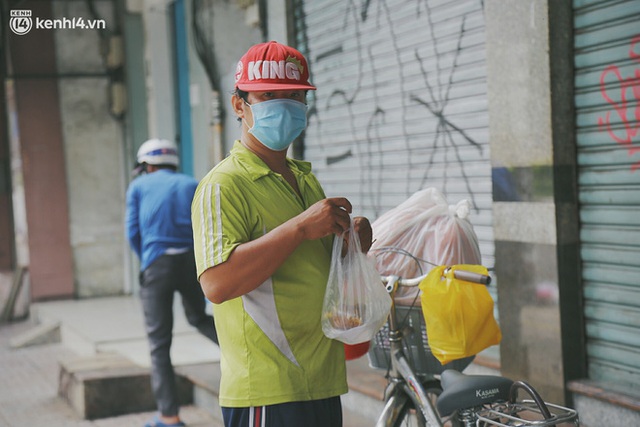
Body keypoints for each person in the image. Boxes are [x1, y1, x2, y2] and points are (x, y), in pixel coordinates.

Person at [191, 41, 372, 427]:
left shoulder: (305, 181)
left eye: (294, 96)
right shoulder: (223, 185)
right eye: (269, 95)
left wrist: (351, 245)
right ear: (239, 105)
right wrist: (300, 228)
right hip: (268, 390)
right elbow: (217, 284)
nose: (285, 105)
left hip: (321, 380)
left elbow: (312, 271)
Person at [125, 138, 219, 427]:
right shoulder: (190, 183)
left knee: (159, 342)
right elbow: (204, 226)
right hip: (191, 262)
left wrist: (149, 261)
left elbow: (132, 231)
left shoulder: (138, 186)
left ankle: (169, 417)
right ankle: (247, 351)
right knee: (198, 318)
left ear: (147, 166)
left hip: (157, 266)